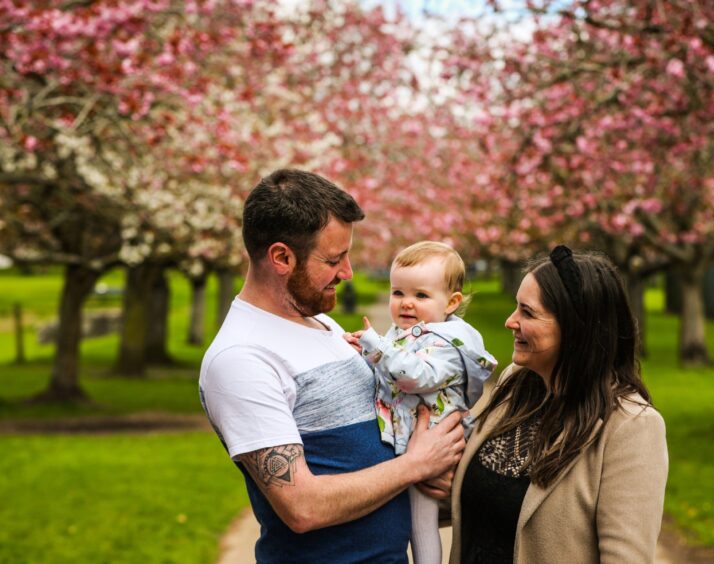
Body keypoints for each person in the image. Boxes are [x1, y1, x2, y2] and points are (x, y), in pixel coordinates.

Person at [199, 169, 465, 564]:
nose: (348, 273)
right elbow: (302, 508)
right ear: (281, 257)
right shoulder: (240, 358)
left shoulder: (322, 323)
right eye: (334, 259)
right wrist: (415, 466)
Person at [449, 245, 669, 564]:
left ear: (576, 328)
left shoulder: (631, 427)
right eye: (516, 308)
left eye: (528, 312)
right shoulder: (516, 383)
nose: (510, 322)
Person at [345, 241, 497, 564]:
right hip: (412, 439)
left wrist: (378, 348)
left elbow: (415, 376)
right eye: (398, 293)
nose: (406, 304)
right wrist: (362, 348)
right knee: (406, 521)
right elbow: (386, 368)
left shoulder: (449, 344)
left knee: (422, 523)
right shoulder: (409, 333)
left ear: (452, 302)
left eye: (421, 296)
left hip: (434, 444)